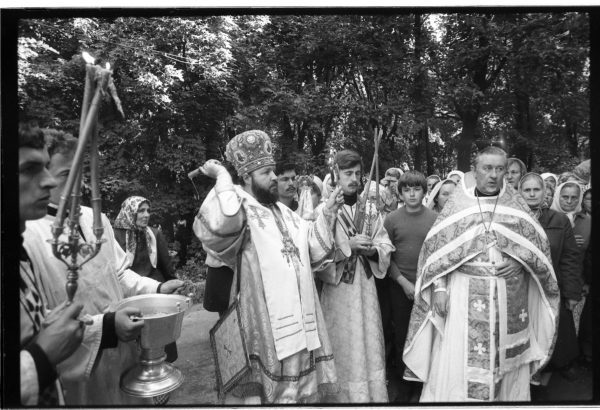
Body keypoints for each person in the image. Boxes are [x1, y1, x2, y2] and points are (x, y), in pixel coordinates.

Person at [23, 129, 184, 405]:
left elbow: (119, 272)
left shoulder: (94, 217)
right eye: (66, 175)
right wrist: (104, 328)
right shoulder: (28, 233)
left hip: (124, 347)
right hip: (77, 363)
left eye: (81, 172)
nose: (79, 184)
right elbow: (38, 319)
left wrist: (157, 287)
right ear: (45, 177)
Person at [193, 130, 341, 404]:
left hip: (299, 315)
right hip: (262, 319)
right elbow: (221, 225)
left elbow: (311, 246)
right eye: (266, 173)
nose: (274, 177)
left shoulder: (284, 212)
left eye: (274, 171)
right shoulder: (241, 209)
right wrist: (223, 177)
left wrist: (328, 212)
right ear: (246, 177)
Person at [403, 146, 559, 402]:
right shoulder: (457, 206)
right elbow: (437, 253)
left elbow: (538, 252)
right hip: (463, 295)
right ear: (474, 171)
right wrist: (440, 289)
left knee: (504, 364)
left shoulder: (518, 208)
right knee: (459, 358)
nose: (494, 175)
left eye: (500, 169)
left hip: (508, 297)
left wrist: (520, 262)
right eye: (487, 168)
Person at [315, 149, 394, 403]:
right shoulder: (324, 211)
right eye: (348, 173)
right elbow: (316, 255)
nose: (354, 178)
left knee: (369, 343)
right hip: (339, 292)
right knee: (343, 345)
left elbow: (385, 245)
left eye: (358, 173)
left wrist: (372, 251)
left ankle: (370, 398)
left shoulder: (370, 209)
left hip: (366, 290)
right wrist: (348, 245)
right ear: (335, 174)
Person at [19, 122, 84, 405]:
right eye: (30, 169)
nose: (49, 181)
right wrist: (41, 359)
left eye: (46, 168)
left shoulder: (14, 250)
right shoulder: (33, 234)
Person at [518, 173, 582, 382]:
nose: (532, 194)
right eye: (527, 190)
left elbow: (570, 258)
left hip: (553, 286)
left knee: (558, 328)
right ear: (520, 193)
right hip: (522, 286)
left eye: (536, 189)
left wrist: (572, 292)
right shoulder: (513, 219)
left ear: (545, 192)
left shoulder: (559, 220)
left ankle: (561, 363)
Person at [383, 171, 438, 402]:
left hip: (428, 287)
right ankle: (403, 385)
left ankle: (424, 383)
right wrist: (403, 282)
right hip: (400, 286)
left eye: (417, 189)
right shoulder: (392, 219)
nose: (412, 194)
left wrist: (428, 284)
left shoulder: (435, 218)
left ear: (424, 192)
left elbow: (439, 254)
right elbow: (386, 256)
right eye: (407, 190)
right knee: (402, 334)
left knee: (426, 335)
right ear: (401, 192)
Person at [114, 195, 180, 370]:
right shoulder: (114, 236)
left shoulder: (154, 234)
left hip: (155, 291)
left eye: (148, 210)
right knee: (135, 337)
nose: (146, 215)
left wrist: (172, 286)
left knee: (160, 334)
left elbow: (166, 265)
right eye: (141, 210)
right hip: (129, 294)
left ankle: (164, 368)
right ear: (129, 212)